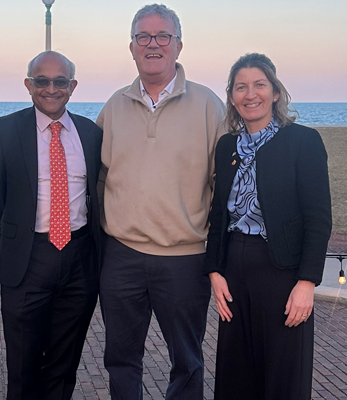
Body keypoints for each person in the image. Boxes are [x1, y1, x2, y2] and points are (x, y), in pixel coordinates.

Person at [96, 4, 226, 398]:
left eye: (162, 36)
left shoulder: (209, 106)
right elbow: (99, 177)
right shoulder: (114, 106)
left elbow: (223, 184)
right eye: (143, 37)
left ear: (178, 45)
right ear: (132, 47)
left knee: (186, 361)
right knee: (120, 359)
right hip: (122, 257)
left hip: (184, 260)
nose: (153, 45)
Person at [204, 53, 332, 400]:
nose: (250, 94)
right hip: (234, 268)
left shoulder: (302, 142)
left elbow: (318, 219)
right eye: (241, 87)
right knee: (235, 375)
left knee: (283, 377)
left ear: (275, 92)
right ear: (231, 96)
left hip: (281, 271)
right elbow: (218, 214)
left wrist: (307, 282)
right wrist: (215, 272)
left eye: (259, 85)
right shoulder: (227, 146)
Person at [0, 51, 103, 399]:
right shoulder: (4, 130)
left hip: (80, 259)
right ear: (28, 84)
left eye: (60, 81)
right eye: (42, 81)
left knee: (64, 365)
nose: (51, 89)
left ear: (73, 86)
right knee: (22, 366)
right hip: (27, 259)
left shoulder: (90, 134)